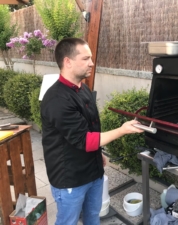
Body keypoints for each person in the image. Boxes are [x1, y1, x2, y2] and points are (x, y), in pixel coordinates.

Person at [40, 37, 143, 225]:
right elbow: (85, 140)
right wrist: (122, 130)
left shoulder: (83, 89)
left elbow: (91, 128)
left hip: (93, 171)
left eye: (91, 58)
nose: (92, 63)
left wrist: (98, 154)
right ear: (68, 62)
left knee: (93, 217)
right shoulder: (57, 99)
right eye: (86, 58)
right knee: (67, 222)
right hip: (70, 177)